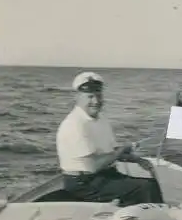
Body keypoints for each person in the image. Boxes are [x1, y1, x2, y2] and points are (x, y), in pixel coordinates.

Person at [56, 71, 164, 206]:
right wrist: (122, 150)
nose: (96, 101)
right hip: (83, 183)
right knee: (145, 187)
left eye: (98, 96)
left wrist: (137, 159)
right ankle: (159, 218)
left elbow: (110, 152)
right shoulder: (75, 124)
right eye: (90, 97)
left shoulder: (101, 119)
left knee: (148, 184)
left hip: (105, 176)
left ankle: (152, 216)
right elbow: (94, 165)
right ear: (77, 97)